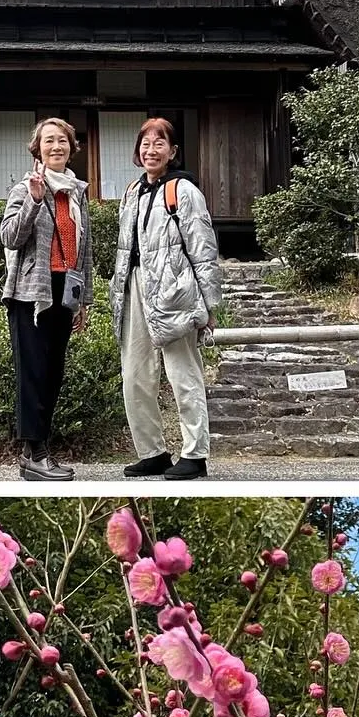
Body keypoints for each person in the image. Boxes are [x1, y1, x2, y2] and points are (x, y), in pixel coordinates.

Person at [111, 117, 220, 480]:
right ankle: (152, 452)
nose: (150, 150)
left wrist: (210, 305)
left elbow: (203, 249)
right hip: (135, 288)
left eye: (159, 143)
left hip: (176, 292)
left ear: (172, 151)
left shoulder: (183, 191)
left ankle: (195, 454)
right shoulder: (131, 192)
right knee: (135, 374)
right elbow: (125, 251)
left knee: (183, 374)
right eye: (145, 143)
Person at [0, 117, 93, 481]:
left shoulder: (76, 193)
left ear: (72, 147)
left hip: (64, 290)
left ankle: (37, 452)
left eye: (63, 141)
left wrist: (83, 299)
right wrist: (35, 202)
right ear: (37, 149)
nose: (56, 147)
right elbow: (10, 236)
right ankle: (33, 452)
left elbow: (85, 251)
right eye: (49, 141)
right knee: (33, 373)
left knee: (53, 373)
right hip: (30, 294)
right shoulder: (27, 188)